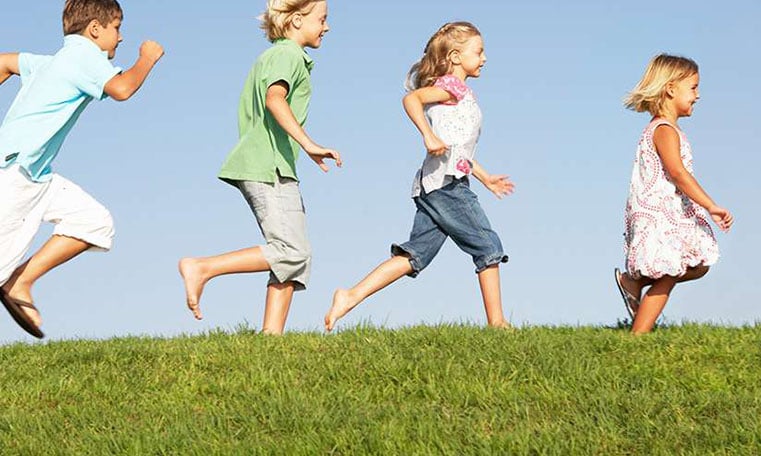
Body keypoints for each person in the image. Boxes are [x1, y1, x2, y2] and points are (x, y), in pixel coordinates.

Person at [325, 21, 514, 332]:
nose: (484, 58)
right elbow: (411, 100)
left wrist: (485, 177)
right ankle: (497, 324)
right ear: (456, 56)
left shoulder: (462, 94)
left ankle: (349, 296)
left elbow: (458, 150)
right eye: (479, 51)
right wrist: (427, 135)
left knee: (416, 254)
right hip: (446, 187)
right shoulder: (451, 88)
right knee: (488, 246)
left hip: (435, 185)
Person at [0, 0, 164, 339]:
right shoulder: (84, 56)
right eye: (117, 28)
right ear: (94, 29)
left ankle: (20, 281)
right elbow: (122, 88)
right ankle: (12, 279)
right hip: (16, 174)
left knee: (94, 221)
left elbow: (4, 62)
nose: (120, 37)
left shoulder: (53, 62)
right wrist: (147, 57)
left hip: (36, 175)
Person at [179, 0, 340, 335]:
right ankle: (202, 267)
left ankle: (271, 338)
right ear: (297, 20)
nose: (326, 27)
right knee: (291, 251)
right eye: (322, 19)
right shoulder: (287, 56)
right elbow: (274, 99)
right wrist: (308, 143)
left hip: (274, 164)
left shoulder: (276, 56)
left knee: (295, 254)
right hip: (267, 166)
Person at [614, 54, 733, 334]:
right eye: (693, 87)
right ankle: (638, 336)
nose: (698, 95)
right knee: (670, 272)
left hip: (669, 213)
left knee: (698, 264)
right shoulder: (664, 131)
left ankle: (634, 283)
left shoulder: (666, 129)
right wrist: (711, 206)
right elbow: (678, 173)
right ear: (670, 89)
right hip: (661, 214)